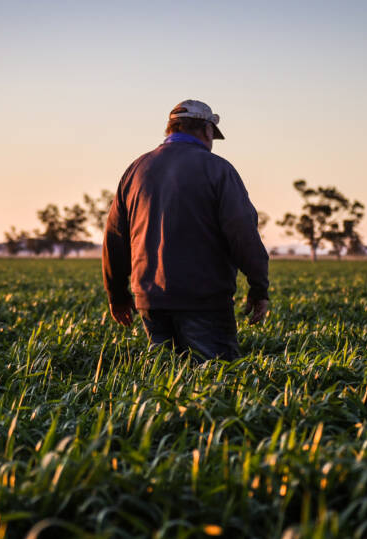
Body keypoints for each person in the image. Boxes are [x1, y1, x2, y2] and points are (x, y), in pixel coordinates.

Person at [102, 99, 270, 361]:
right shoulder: (217, 169)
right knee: (215, 385)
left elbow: (115, 238)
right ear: (206, 130)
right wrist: (259, 288)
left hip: (150, 302)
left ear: (171, 129)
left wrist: (117, 295)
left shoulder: (136, 170)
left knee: (165, 385)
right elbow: (242, 233)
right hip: (204, 300)